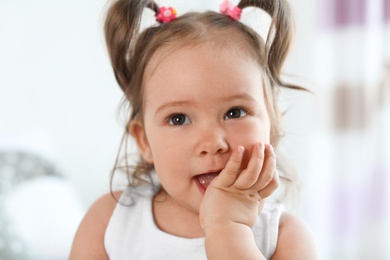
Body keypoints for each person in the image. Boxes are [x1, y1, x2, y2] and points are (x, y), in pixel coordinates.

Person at [70, 0, 317, 259]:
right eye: (178, 119)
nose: (212, 143)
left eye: (235, 112)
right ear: (144, 142)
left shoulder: (286, 236)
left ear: (272, 125)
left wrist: (228, 229)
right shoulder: (110, 222)